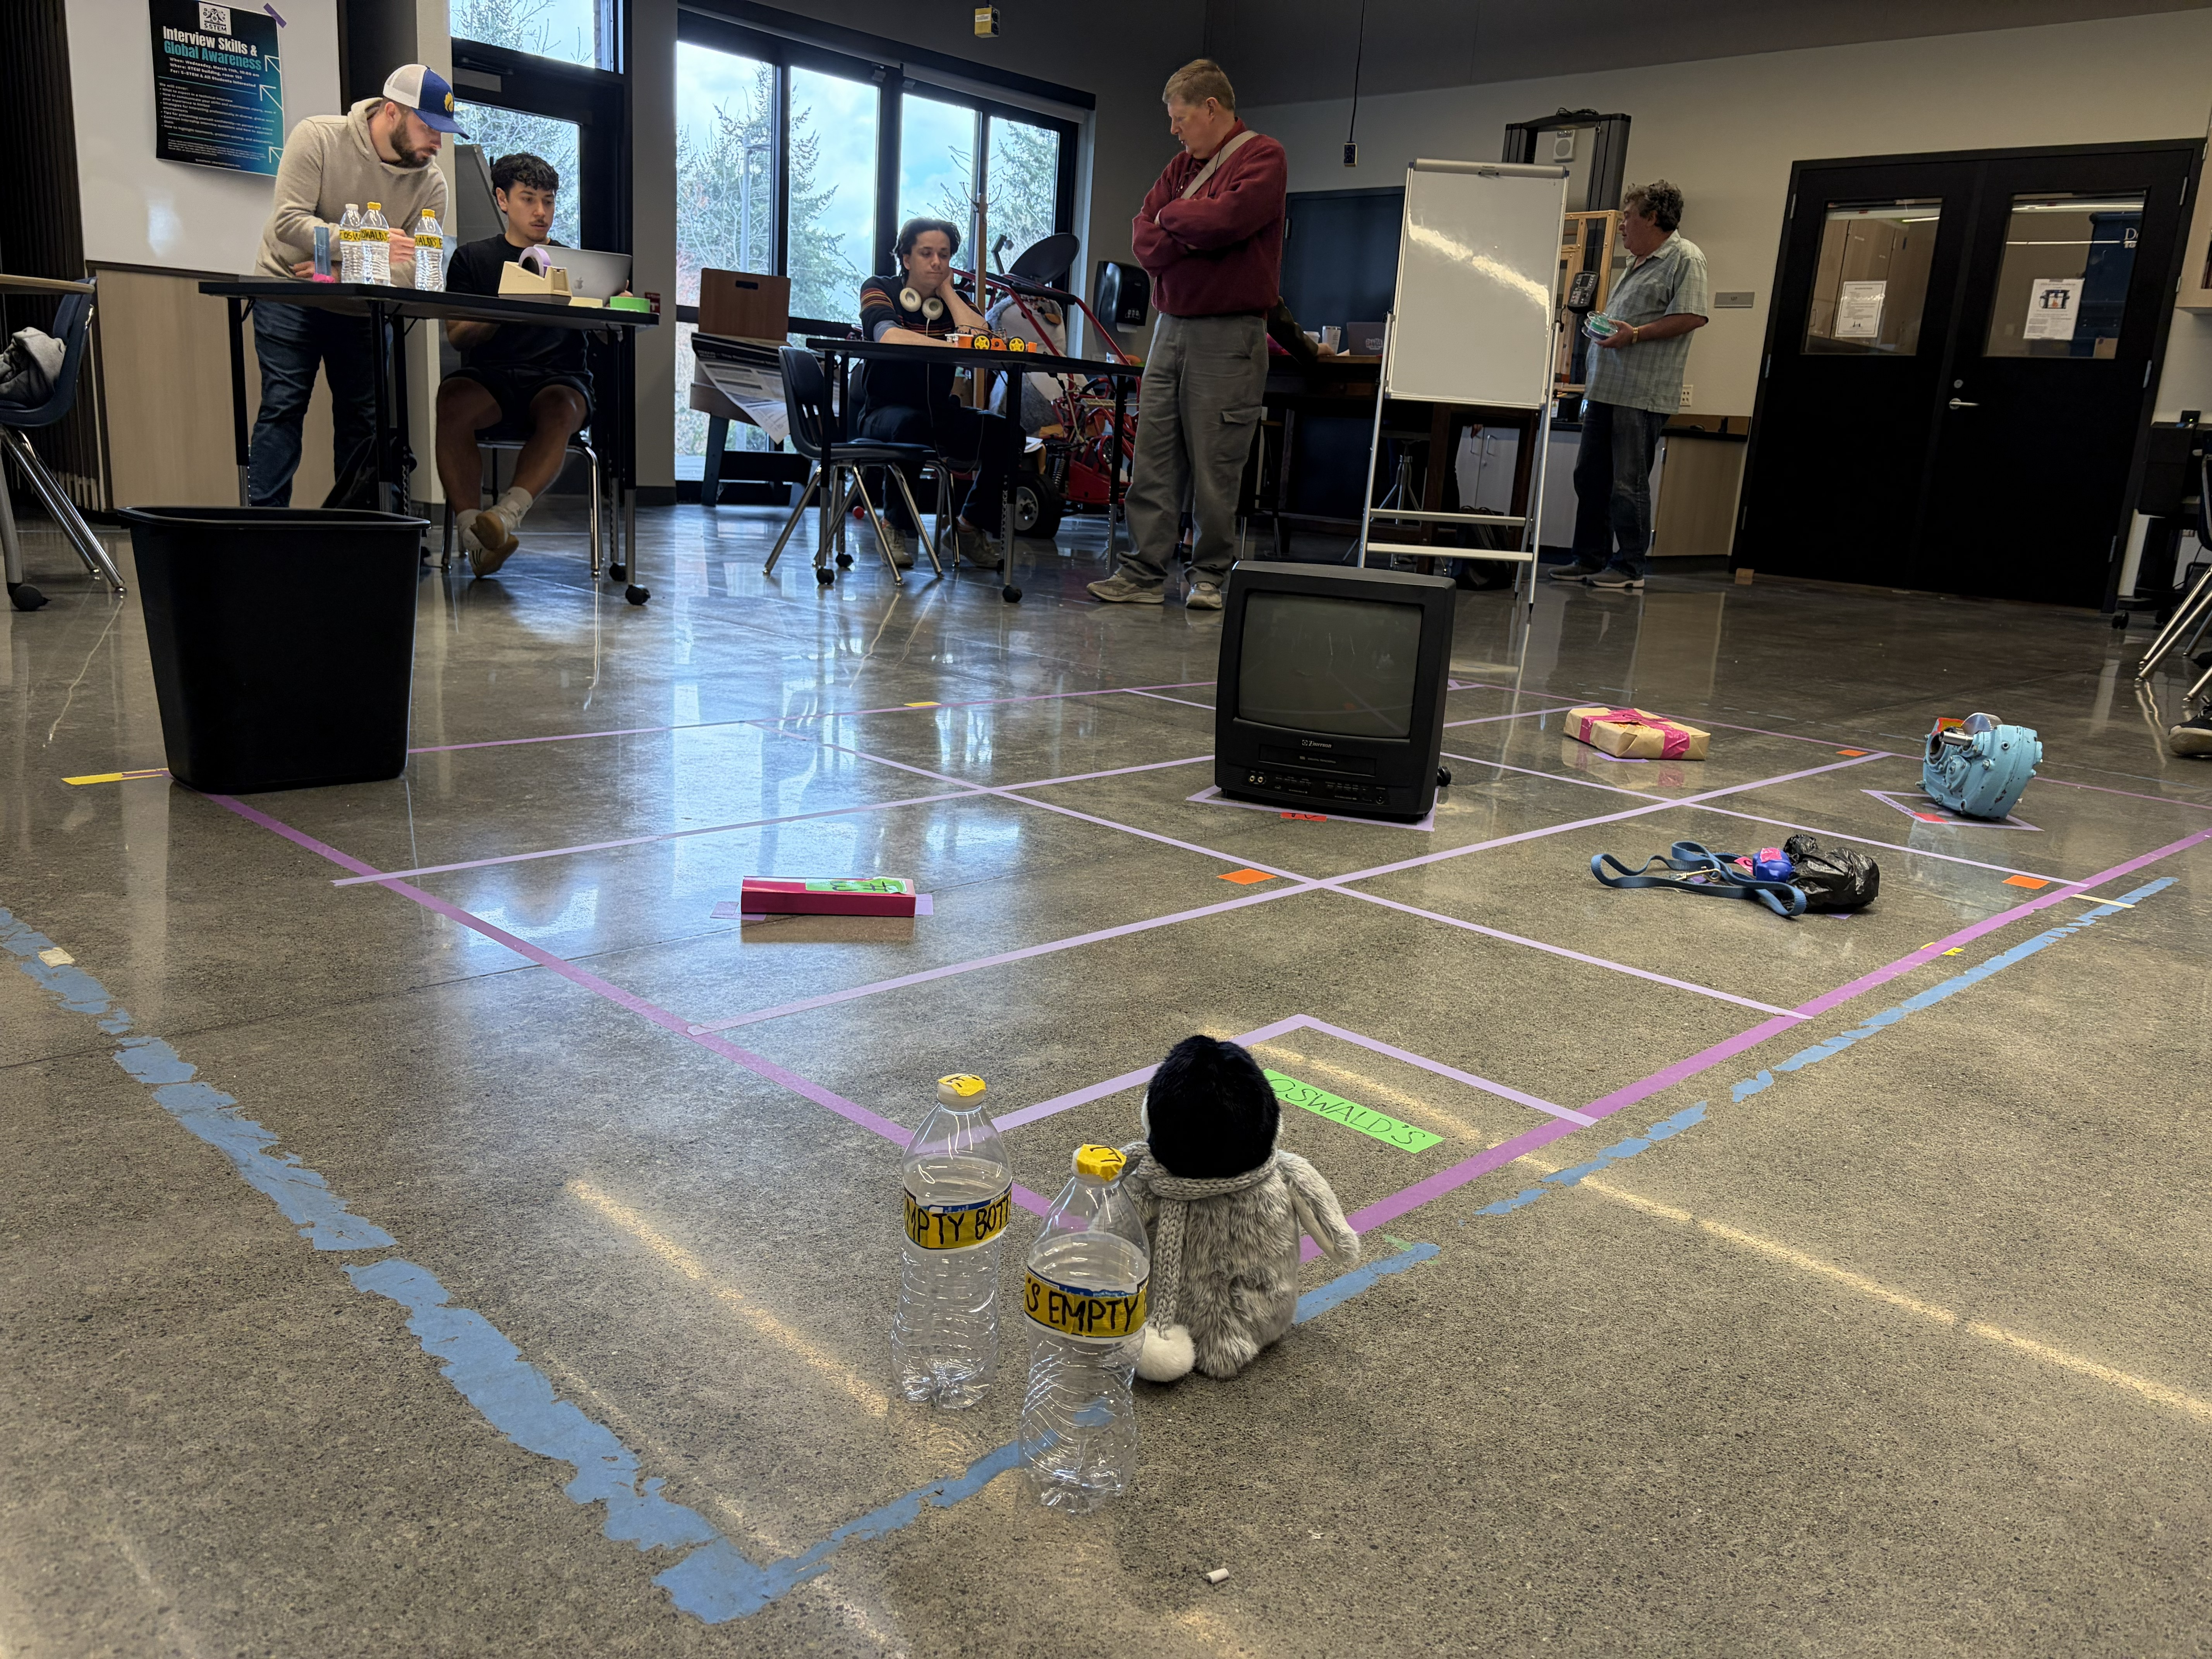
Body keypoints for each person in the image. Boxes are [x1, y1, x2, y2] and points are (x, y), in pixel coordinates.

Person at [1089, 59, 1285, 611]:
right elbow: (1143, 238)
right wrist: (1189, 226)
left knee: (1217, 458)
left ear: (1211, 109)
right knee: (1153, 453)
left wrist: (1177, 222)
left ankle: (1210, 576)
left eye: (1180, 118)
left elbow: (1228, 222)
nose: (1174, 130)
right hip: (1170, 328)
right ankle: (1144, 572)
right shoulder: (1180, 169)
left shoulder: (1264, 157)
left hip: (1230, 333)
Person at [246, 65, 460, 507]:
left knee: (363, 422)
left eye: (443, 132)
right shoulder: (319, 137)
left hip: (363, 306)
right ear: (391, 113)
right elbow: (289, 223)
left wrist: (348, 270)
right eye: (428, 128)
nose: (437, 144)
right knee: (283, 407)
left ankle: (355, 533)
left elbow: (420, 268)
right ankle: (264, 528)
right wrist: (376, 242)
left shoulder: (431, 184)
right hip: (290, 289)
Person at [435, 153, 594, 577]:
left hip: (559, 379)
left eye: (549, 200)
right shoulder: (473, 260)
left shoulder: (574, 262)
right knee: (452, 397)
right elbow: (458, 335)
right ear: (503, 200)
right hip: (493, 378)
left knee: (561, 406)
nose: (542, 211)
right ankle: (476, 535)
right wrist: (508, 306)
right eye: (529, 199)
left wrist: (606, 294)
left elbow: (603, 325)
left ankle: (504, 518)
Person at [1550, 180, 1710, 592]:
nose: (1621, 227)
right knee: (1590, 477)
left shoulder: (1685, 258)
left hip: (1641, 394)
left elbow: (1692, 316)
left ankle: (1629, 567)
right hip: (1606, 389)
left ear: (1653, 217)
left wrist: (1634, 335)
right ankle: (1589, 558)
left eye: (1627, 218)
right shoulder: (1638, 262)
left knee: (1628, 483)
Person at [852, 218, 1020, 568]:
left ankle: (968, 527)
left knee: (1009, 434)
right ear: (906, 258)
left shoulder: (953, 302)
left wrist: (947, 293)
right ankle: (894, 526)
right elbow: (888, 335)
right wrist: (942, 345)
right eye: (926, 254)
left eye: (944, 256)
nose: (936, 263)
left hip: (939, 413)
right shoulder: (878, 288)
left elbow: (982, 338)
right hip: (882, 413)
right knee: (910, 424)